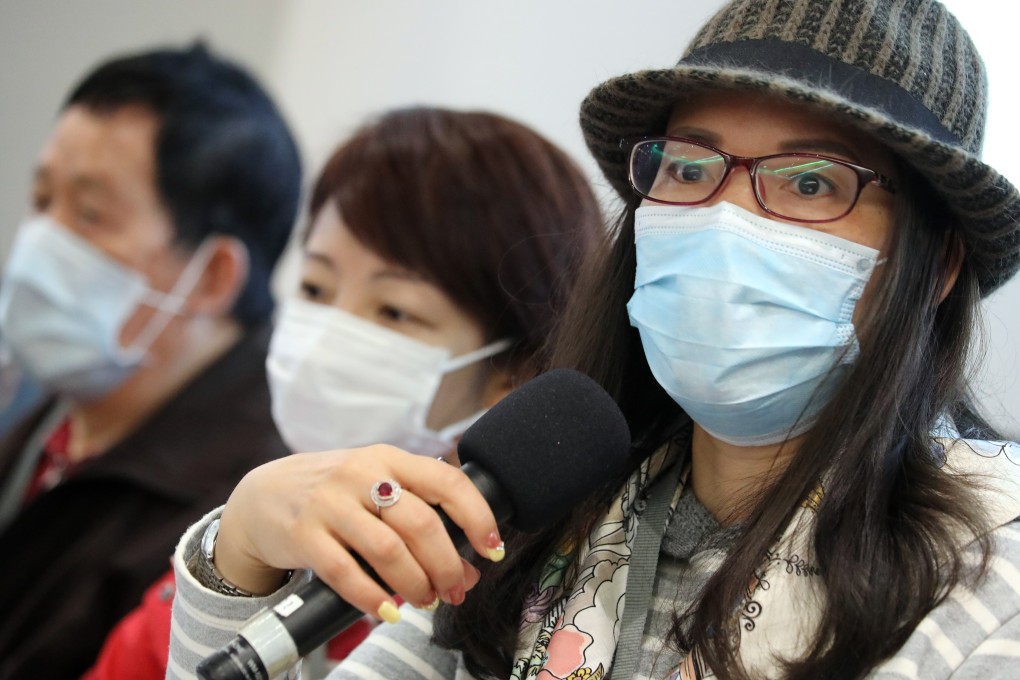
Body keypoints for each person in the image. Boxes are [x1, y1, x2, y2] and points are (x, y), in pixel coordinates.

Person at [169, 0, 1020, 678]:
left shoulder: (992, 577)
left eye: (808, 183)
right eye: (689, 169)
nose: (725, 218)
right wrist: (240, 549)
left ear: (936, 265)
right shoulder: (540, 519)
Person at [87, 106, 601, 680]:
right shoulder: (232, 547)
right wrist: (232, 565)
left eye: (394, 310)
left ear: (515, 370)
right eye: (314, 286)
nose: (329, 333)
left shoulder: (548, 626)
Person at [0, 43, 301, 679]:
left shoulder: (236, 518)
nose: (39, 243)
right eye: (41, 199)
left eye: (88, 213)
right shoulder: (34, 393)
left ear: (212, 275)